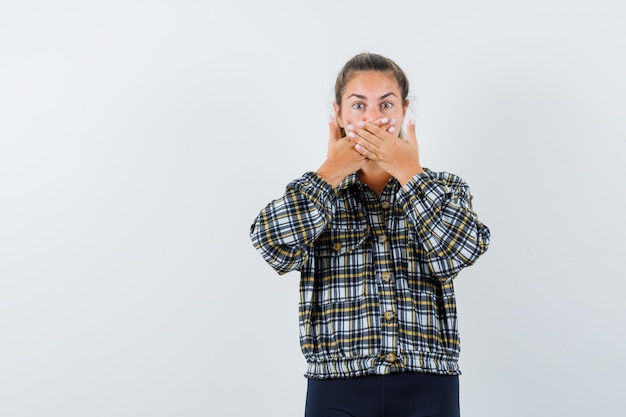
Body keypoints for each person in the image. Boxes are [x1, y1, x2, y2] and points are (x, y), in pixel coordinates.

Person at [249, 52, 490, 417]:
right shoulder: (314, 192)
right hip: (336, 385)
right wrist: (329, 173)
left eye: (386, 104)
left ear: (404, 111)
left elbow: (461, 251)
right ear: (339, 114)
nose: (373, 118)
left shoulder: (444, 188)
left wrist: (411, 174)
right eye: (359, 105)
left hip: (428, 383)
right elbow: (272, 246)